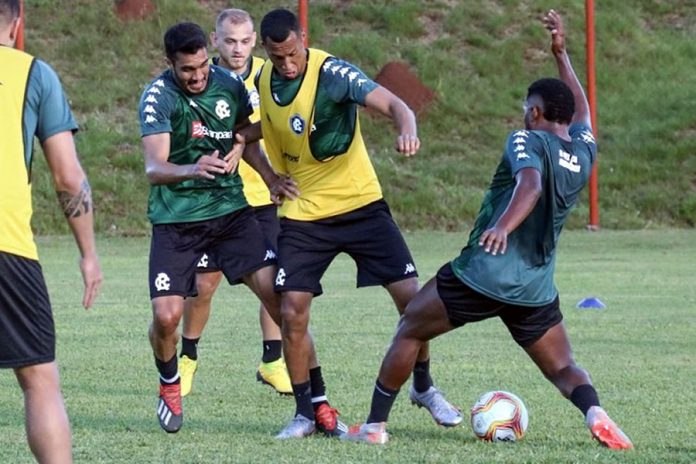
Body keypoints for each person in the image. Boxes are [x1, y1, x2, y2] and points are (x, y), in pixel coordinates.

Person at [344, 10, 634, 450]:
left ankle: (373, 429)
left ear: (534, 112)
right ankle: (596, 413)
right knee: (563, 368)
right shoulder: (585, 152)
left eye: (525, 109)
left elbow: (530, 184)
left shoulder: (525, 139)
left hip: (482, 273)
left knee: (410, 328)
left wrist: (501, 226)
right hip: (535, 288)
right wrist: (562, 56)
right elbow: (584, 113)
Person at [257, 8, 462, 439]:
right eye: (278, 58)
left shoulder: (332, 73)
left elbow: (394, 104)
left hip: (361, 204)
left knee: (414, 302)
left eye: (293, 53)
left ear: (303, 38)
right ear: (268, 53)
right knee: (291, 311)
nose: (288, 64)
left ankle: (423, 387)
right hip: (304, 213)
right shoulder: (262, 83)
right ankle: (304, 412)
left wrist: (407, 128)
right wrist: (270, 176)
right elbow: (244, 134)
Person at [138, 21, 299, 433]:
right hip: (176, 221)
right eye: (186, 70)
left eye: (201, 68)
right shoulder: (158, 96)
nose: (196, 77)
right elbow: (154, 167)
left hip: (231, 214)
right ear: (170, 63)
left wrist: (267, 176)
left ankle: (311, 401)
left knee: (282, 302)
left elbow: (250, 136)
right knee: (166, 316)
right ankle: (170, 380)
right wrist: (195, 167)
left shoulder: (228, 84)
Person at [0, 0, 103, 462]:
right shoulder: (33, 74)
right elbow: (67, 176)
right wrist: (88, 253)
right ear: (16, 23)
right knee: (39, 378)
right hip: (7, 248)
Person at [178, 8, 291, 398]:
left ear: (255, 41)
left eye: (244, 41)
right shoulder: (200, 78)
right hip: (216, 199)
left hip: (262, 199)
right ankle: (187, 360)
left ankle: (273, 362)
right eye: (229, 41)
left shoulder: (268, 76)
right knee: (203, 286)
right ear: (215, 41)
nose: (237, 49)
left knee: (276, 283)